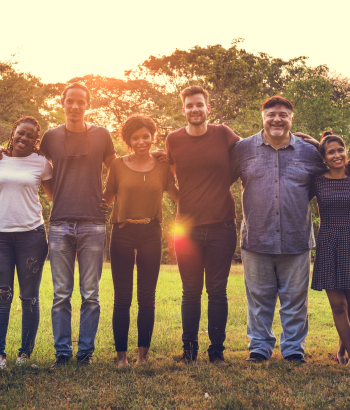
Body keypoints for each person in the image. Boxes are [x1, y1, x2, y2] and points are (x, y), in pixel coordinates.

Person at [230, 95, 327, 363]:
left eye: (283, 114)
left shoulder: (309, 152)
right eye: (271, 113)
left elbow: (337, 171)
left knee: (295, 301)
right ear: (262, 116)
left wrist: (322, 145)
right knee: (259, 300)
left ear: (291, 119)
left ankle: (293, 349)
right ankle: (259, 348)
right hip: (257, 238)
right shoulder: (243, 149)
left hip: (296, 238)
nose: (277, 118)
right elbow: (215, 177)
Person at [39, 83, 117, 367]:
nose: (75, 106)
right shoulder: (50, 137)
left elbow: (116, 169)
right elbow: (36, 166)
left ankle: (84, 354)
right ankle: (62, 354)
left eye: (80, 102)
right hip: (59, 224)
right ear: (63, 102)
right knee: (61, 295)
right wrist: (55, 196)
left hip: (93, 225)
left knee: (90, 294)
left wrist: (106, 198)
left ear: (87, 104)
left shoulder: (101, 135)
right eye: (70, 101)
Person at [166, 86, 240, 364]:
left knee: (217, 290)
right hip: (186, 228)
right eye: (189, 106)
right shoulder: (172, 139)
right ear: (183, 110)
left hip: (222, 226)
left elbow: (253, 150)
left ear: (208, 108)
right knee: (190, 290)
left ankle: (217, 352)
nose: (195, 110)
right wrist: (183, 197)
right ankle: (189, 351)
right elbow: (170, 174)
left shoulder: (223, 134)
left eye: (200, 105)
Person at [102, 114, 178, 367]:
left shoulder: (163, 166)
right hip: (122, 232)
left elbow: (178, 195)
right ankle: (121, 357)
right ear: (127, 141)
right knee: (122, 298)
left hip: (151, 233)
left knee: (147, 297)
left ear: (153, 136)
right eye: (135, 138)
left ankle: (142, 357)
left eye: (146, 136)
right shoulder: (118, 166)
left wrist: (176, 163)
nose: (142, 141)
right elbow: (107, 197)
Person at [0, 116, 53, 370]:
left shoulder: (41, 163)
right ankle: (0, 355)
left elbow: (56, 196)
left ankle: (25, 355)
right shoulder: (0, 158)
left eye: (30, 136)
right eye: (20, 133)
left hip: (31, 236)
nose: (24, 138)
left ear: (36, 141)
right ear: (13, 133)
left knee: (29, 297)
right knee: (2, 296)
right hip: (1, 237)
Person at [307, 132, 350, 365]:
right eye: (331, 152)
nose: (337, 155)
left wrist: (318, 141)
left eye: (340, 150)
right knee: (338, 305)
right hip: (329, 243)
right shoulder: (317, 180)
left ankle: (342, 350)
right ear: (323, 158)